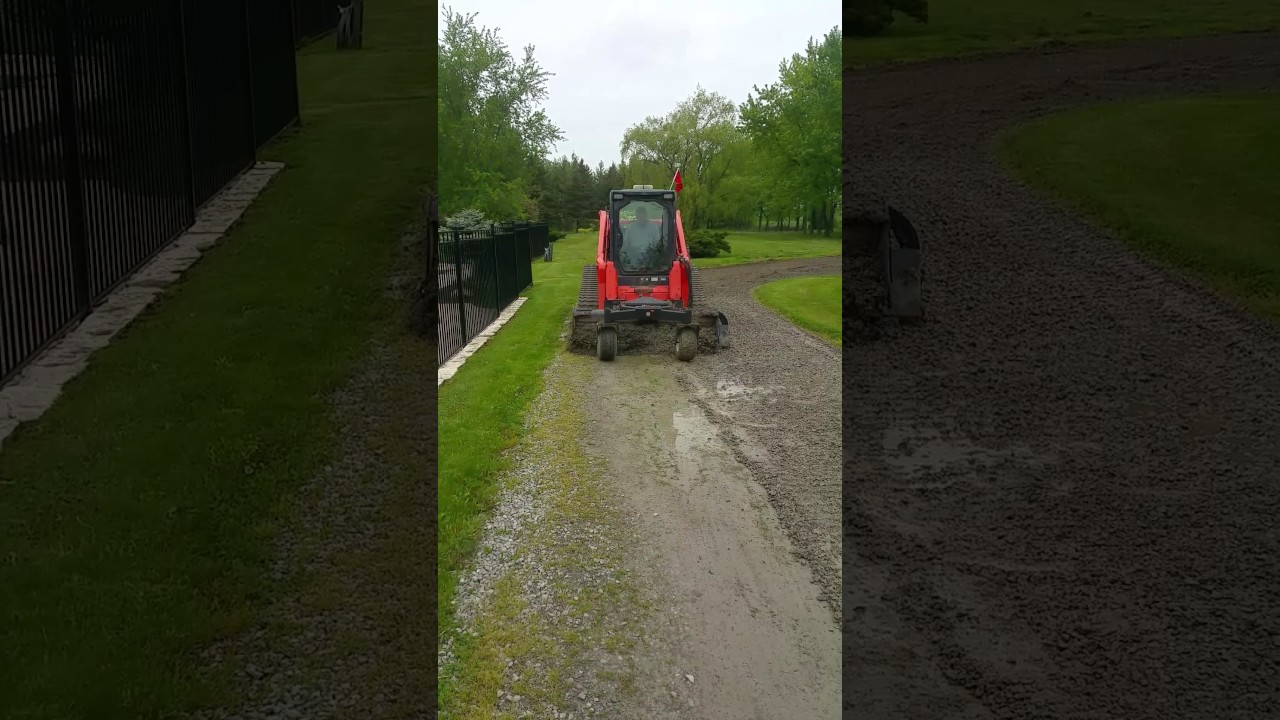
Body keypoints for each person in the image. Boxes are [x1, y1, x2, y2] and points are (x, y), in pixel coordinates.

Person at [622, 204, 663, 268]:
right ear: (637, 216)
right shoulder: (631, 227)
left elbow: (657, 241)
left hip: (650, 254)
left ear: (646, 215)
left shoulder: (653, 227)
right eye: (639, 216)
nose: (641, 218)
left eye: (642, 215)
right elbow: (626, 243)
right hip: (634, 254)